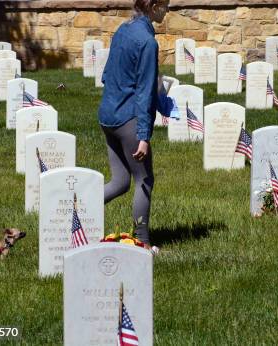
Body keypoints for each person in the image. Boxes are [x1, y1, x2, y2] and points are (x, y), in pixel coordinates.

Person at [98, 0, 170, 252]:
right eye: (164, 4)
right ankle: (142, 243)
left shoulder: (122, 30)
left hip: (108, 116)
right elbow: (145, 92)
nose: (167, 10)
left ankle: (79, 212)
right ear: (152, 6)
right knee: (143, 179)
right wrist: (144, 135)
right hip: (130, 120)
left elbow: (106, 75)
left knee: (119, 182)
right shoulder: (147, 42)